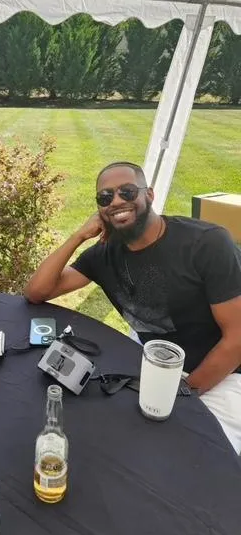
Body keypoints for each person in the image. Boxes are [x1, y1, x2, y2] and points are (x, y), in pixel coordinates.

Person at [24, 161, 241, 453]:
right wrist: (78, 236)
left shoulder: (206, 243)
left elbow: (236, 340)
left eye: (127, 192)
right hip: (152, 362)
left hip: (224, 374)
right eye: (105, 198)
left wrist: (182, 392)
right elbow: (36, 292)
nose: (115, 202)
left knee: (201, 455)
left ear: (149, 194)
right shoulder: (103, 255)